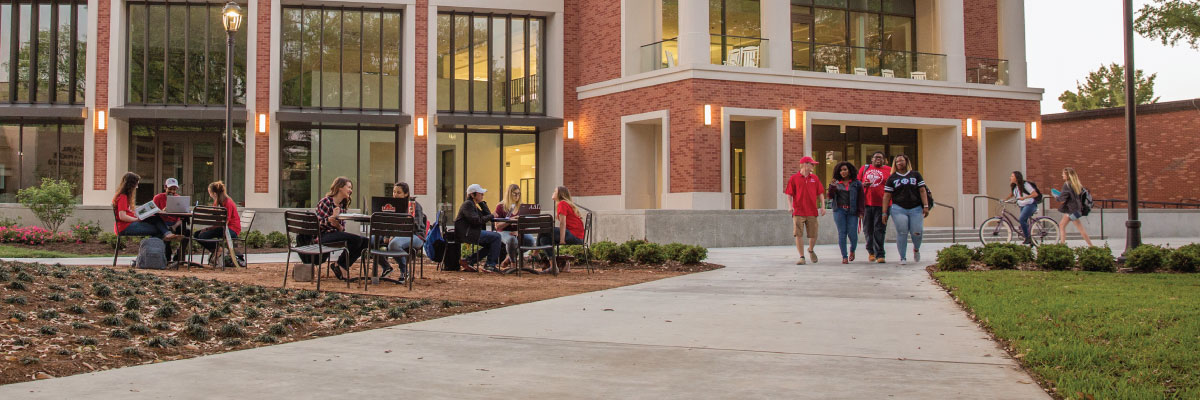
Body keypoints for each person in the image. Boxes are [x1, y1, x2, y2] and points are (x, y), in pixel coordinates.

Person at [315, 177, 370, 280]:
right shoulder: (326, 202)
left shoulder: (342, 205)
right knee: (356, 239)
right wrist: (330, 219)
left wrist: (337, 225)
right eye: (348, 187)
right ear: (340, 187)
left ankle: (341, 265)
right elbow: (317, 224)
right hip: (323, 236)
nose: (351, 190)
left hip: (335, 234)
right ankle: (341, 265)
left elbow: (341, 229)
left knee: (365, 241)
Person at [881, 155, 928, 265]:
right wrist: (884, 212)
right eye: (897, 162)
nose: (899, 163)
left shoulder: (915, 175)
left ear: (906, 162)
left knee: (917, 232)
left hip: (915, 208)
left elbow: (922, 190)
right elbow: (887, 196)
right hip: (898, 208)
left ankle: (916, 249)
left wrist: (925, 206)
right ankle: (903, 257)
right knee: (902, 232)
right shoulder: (892, 178)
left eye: (901, 160)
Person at [111, 172, 180, 241]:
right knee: (159, 229)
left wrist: (141, 212)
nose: (137, 187)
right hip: (125, 227)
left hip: (129, 224)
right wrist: (136, 219)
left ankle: (164, 239)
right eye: (136, 184)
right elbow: (122, 216)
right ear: (131, 185)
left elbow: (127, 212)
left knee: (155, 219)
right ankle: (159, 246)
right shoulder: (123, 197)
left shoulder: (124, 196)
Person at [379, 182, 427, 280]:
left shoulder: (414, 206)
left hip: (416, 236)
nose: (395, 195)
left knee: (393, 244)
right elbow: (388, 224)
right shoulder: (392, 206)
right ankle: (386, 267)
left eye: (398, 192)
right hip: (397, 235)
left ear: (406, 194)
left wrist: (395, 234)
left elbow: (415, 226)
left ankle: (404, 272)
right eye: (394, 192)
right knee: (371, 241)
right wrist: (387, 235)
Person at [783, 156, 825, 265]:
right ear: (805, 165)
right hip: (798, 211)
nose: (813, 166)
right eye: (812, 164)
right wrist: (790, 206)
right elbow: (789, 194)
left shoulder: (814, 178)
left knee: (814, 234)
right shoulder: (794, 178)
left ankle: (810, 250)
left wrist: (823, 206)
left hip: (812, 211)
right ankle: (802, 257)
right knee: (798, 234)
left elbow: (820, 193)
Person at [454, 184, 503, 272]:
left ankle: (469, 260)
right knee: (496, 237)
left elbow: (487, 216)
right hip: (467, 234)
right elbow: (476, 221)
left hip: (472, 232)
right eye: (480, 194)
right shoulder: (468, 204)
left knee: (492, 243)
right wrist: (492, 215)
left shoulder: (473, 204)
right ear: (472, 195)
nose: (482, 196)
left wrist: (482, 203)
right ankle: (490, 265)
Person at [194, 181, 242, 265]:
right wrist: (209, 228)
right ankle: (218, 250)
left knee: (203, 235)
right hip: (221, 227)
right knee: (197, 234)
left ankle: (219, 250)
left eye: (210, 193)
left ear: (215, 193)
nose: (210, 195)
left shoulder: (228, 203)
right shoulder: (217, 202)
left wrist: (209, 228)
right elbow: (216, 219)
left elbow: (225, 222)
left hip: (230, 229)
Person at [858, 151, 891, 263]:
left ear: (884, 160)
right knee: (868, 229)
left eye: (881, 158)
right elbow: (856, 184)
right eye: (876, 157)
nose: (878, 159)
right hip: (867, 204)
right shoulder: (864, 169)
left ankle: (880, 254)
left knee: (879, 229)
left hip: (883, 205)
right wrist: (863, 185)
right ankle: (871, 252)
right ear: (871, 159)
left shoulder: (889, 170)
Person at [828, 161, 864, 264]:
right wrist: (832, 186)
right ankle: (844, 256)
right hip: (839, 210)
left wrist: (861, 212)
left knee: (853, 234)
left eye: (845, 170)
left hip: (852, 211)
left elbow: (861, 199)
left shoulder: (857, 184)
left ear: (849, 171)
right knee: (842, 233)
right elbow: (830, 196)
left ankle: (852, 250)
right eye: (841, 170)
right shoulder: (836, 183)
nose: (843, 172)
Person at [493, 184, 536, 268]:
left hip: (518, 231)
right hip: (504, 231)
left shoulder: (522, 206)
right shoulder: (501, 206)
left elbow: (525, 223)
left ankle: (509, 258)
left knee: (530, 241)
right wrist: (510, 220)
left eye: (519, 194)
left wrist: (518, 231)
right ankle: (513, 262)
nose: (517, 196)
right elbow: (497, 226)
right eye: (515, 194)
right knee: (512, 240)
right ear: (509, 194)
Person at [1054, 168, 1094, 246]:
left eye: (1063, 174)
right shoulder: (1077, 184)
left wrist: (1056, 197)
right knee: (1062, 225)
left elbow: (1062, 200)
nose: (1062, 175)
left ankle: (1062, 246)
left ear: (1067, 175)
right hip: (1077, 209)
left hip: (1071, 210)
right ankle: (1062, 245)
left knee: (1079, 229)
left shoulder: (1067, 184)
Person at [151, 178, 188, 260]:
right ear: (165, 187)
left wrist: (175, 226)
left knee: (187, 232)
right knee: (165, 231)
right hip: (163, 223)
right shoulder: (158, 197)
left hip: (175, 223)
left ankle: (179, 254)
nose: (172, 191)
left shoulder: (179, 198)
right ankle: (167, 254)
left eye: (174, 189)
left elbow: (182, 216)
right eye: (170, 189)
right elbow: (153, 213)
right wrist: (163, 210)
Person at [1003, 171, 1041, 245]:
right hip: (1022, 206)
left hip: (1030, 205)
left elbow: (1035, 194)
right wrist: (1005, 199)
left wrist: (1024, 197)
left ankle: (1028, 238)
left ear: (1017, 178)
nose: (1010, 178)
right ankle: (1031, 239)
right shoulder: (1015, 186)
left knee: (1022, 219)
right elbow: (1012, 194)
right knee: (1023, 222)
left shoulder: (1025, 185)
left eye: (1012, 176)